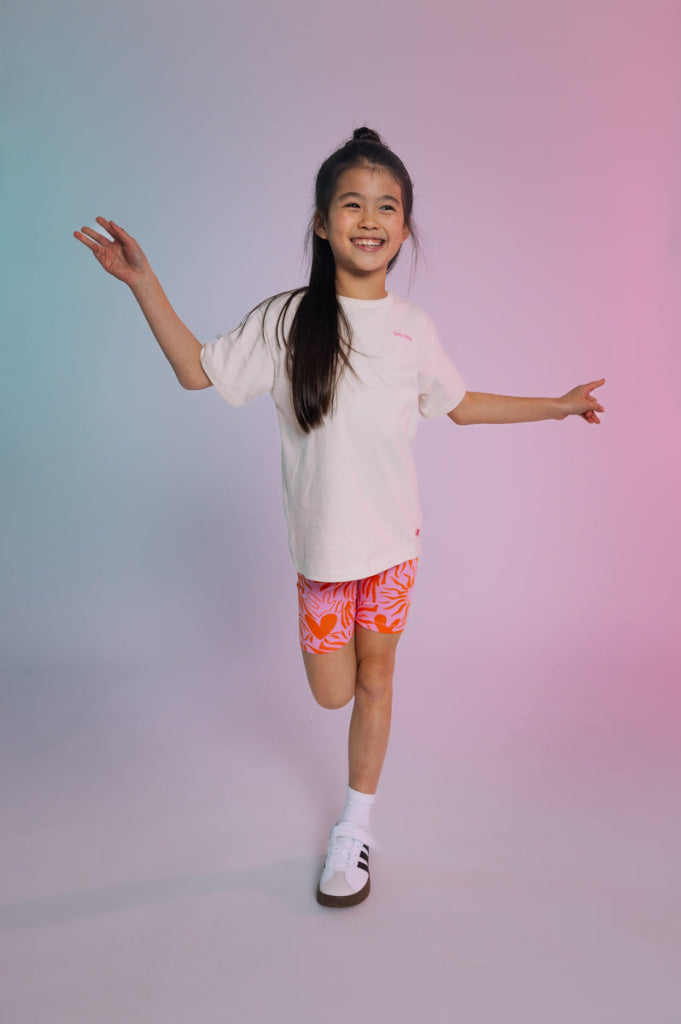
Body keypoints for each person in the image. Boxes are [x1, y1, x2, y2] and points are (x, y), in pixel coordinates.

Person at [74, 127, 605, 909]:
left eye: (386, 206)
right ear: (322, 223)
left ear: (404, 227)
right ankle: (353, 779)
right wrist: (143, 283)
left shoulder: (412, 327)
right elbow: (196, 370)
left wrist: (555, 406)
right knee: (333, 693)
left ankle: (355, 826)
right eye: (351, 204)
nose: (369, 218)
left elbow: (460, 406)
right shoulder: (288, 320)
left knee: (377, 679)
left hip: (392, 548)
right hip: (324, 557)